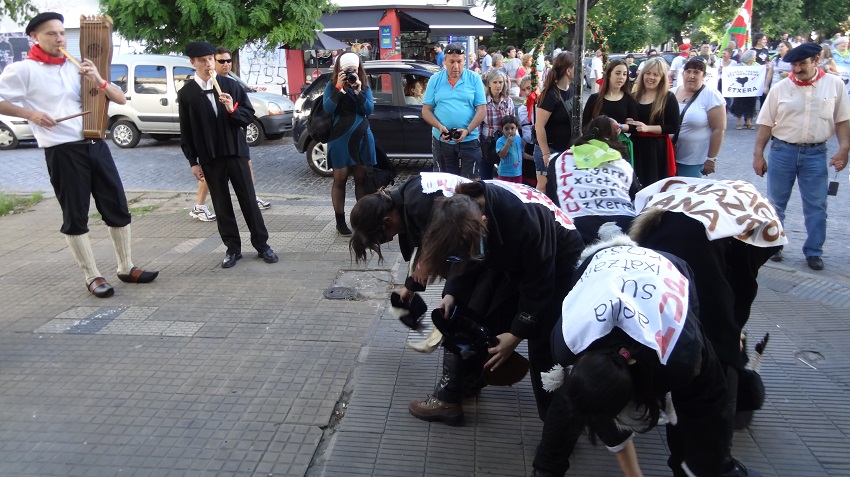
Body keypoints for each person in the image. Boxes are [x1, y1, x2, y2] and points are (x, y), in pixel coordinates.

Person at [533, 236, 760, 477]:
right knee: (571, 402)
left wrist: (715, 463)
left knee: (693, 410)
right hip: (599, 264)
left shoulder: (684, 354)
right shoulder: (567, 343)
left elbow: (710, 404)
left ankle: (692, 468)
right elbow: (572, 403)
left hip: (671, 269)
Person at [631, 178, 785, 477]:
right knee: (713, 360)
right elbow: (738, 290)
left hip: (653, 252)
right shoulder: (755, 232)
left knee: (674, 345)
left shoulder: (714, 205)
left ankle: (685, 447)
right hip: (688, 256)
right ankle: (698, 461)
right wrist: (733, 335)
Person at [0, 11, 159, 297]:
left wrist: (98, 78)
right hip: (61, 150)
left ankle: (126, 266)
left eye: (61, 33)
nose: (59, 38)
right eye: (51, 33)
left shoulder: (78, 66)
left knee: (118, 206)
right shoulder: (23, 70)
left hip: (96, 144)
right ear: (34, 37)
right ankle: (92, 275)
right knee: (75, 214)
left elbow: (120, 98)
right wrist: (31, 114)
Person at [405, 175, 585, 425]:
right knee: (469, 315)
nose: (469, 258)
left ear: (484, 222)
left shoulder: (525, 221)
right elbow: (462, 256)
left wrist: (516, 334)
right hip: (505, 253)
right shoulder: (455, 211)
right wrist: (451, 293)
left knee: (543, 344)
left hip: (558, 260)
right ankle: (456, 393)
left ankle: (558, 426)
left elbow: (539, 284)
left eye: (474, 252)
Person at [178, 41, 278, 268]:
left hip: (235, 151)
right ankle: (233, 249)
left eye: (211, 59)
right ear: (193, 63)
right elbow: (186, 130)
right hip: (210, 156)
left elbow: (248, 117)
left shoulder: (229, 85)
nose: (208, 64)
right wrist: (193, 161)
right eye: (203, 61)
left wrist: (232, 108)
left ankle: (263, 246)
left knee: (249, 200)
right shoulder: (187, 93)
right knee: (221, 204)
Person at [753, 42, 850, 270]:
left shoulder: (834, 85)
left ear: (817, 60)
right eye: (794, 65)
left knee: (817, 205)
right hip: (782, 151)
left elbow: (842, 120)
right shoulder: (780, 88)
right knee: (775, 203)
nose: (797, 69)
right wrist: (758, 155)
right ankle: (774, 245)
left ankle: (814, 251)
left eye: (802, 64)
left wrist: (844, 149)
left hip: (816, 153)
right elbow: (765, 125)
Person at [546, 116, 637, 244]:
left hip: (575, 227)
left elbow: (551, 197)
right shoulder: (622, 163)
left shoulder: (558, 160)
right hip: (625, 226)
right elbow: (634, 197)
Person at [322, 52, 376, 236]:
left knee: (361, 179)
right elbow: (327, 109)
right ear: (339, 69)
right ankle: (340, 221)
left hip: (361, 136)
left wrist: (358, 91)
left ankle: (361, 221)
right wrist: (339, 88)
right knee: (340, 179)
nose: (351, 73)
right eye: (346, 70)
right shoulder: (332, 85)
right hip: (340, 137)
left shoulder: (363, 84)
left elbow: (369, 110)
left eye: (354, 69)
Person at [213, 47, 272, 211]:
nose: (226, 64)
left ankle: (251, 198)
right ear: (214, 62)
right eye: (222, 61)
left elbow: (247, 113)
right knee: (210, 172)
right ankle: (200, 204)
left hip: (236, 136)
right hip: (217, 139)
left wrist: (234, 110)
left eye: (228, 61)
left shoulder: (233, 84)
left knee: (247, 165)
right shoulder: (208, 85)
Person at [422, 43, 486, 179]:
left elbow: (481, 110)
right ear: (444, 60)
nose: (456, 66)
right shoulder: (435, 80)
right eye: (451, 61)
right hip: (442, 139)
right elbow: (426, 110)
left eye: (459, 62)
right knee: (445, 182)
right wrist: (439, 127)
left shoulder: (474, 79)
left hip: (470, 139)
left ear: (465, 61)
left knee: (471, 183)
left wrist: (468, 130)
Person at [628, 57, 680, 186]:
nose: (651, 77)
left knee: (654, 186)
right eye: (648, 73)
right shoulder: (635, 96)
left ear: (662, 78)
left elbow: (673, 127)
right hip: (636, 147)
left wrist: (648, 128)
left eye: (656, 74)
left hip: (657, 150)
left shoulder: (668, 97)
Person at [673, 58, 727, 177]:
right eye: (688, 71)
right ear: (683, 74)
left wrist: (711, 159)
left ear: (704, 76)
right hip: (669, 155)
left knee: (689, 192)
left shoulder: (711, 96)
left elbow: (719, 129)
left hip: (693, 159)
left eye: (696, 72)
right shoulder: (672, 92)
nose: (691, 76)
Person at [535, 51, 577, 192]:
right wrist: (546, 153)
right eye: (577, 67)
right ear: (568, 70)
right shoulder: (550, 95)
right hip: (550, 150)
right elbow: (539, 126)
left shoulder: (572, 89)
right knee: (545, 187)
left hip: (565, 149)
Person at [479, 70, 513, 180]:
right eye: (495, 82)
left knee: (506, 178)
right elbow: (478, 125)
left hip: (504, 144)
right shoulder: (482, 101)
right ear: (489, 84)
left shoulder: (508, 101)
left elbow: (513, 123)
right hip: (487, 143)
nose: (498, 85)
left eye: (500, 82)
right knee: (486, 178)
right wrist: (478, 145)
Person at [495, 115, 529, 182]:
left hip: (517, 173)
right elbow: (501, 155)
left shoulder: (519, 139)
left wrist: (533, 158)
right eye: (506, 129)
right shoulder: (500, 141)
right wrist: (508, 143)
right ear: (502, 130)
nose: (510, 131)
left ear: (516, 128)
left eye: (512, 128)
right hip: (504, 174)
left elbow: (522, 153)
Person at [730, 50, 758, 130]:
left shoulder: (757, 66)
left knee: (751, 105)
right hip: (740, 90)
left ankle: (749, 122)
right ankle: (738, 122)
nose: (755, 57)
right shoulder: (739, 66)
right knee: (739, 104)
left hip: (751, 90)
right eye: (754, 56)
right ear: (749, 57)